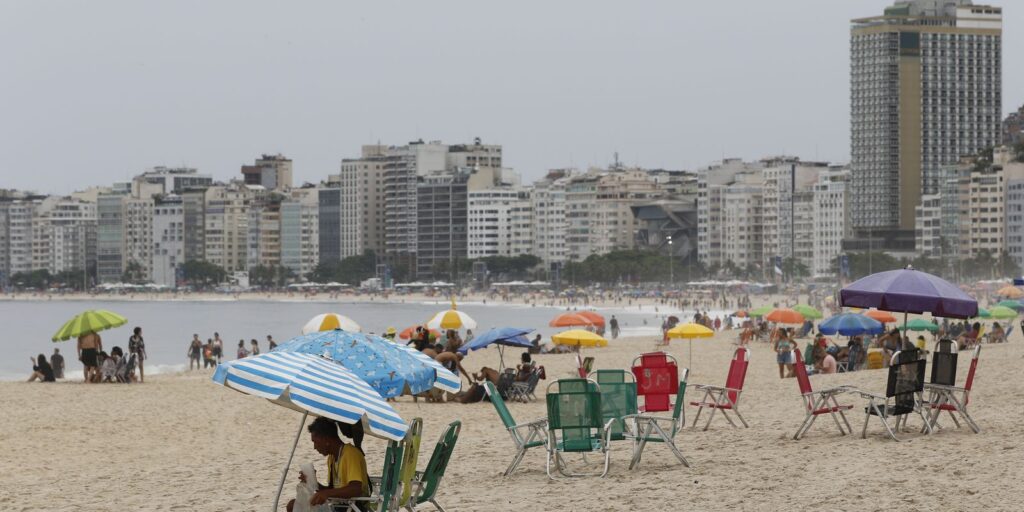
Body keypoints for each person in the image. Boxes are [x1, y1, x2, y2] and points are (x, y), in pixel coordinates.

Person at [286, 418, 369, 512]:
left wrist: (327, 493)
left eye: (315, 442)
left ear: (326, 439)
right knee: (292, 505)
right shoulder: (332, 458)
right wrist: (313, 482)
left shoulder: (350, 454)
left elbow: (356, 489)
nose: (314, 447)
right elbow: (332, 490)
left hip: (354, 508)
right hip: (339, 507)